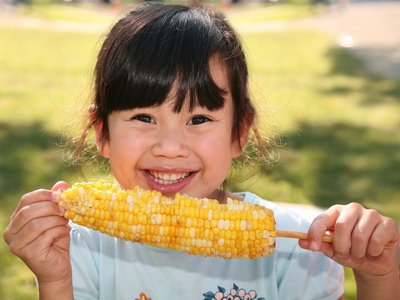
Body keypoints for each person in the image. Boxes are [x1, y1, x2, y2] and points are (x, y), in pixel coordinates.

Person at [3, 3, 399, 300]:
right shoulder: (82, 250)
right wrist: (55, 281)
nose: (171, 148)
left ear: (239, 132)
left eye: (198, 119)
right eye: (143, 117)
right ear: (102, 133)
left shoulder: (297, 248)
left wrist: (378, 276)